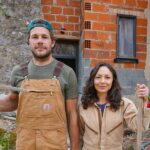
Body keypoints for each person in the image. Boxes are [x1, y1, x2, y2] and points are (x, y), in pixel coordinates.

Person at [0, 18, 79, 150]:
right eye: (35, 37)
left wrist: (75, 148)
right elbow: (13, 102)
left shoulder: (67, 73)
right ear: (29, 42)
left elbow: (72, 114)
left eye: (44, 37)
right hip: (25, 144)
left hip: (55, 145)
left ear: (52, 42)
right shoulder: (18, 71)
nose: (40, 41)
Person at [79, 62, 150, 150]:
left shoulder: (124, 104)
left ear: (113, 80)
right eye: (98, 77)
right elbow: (80, 134)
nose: (102, 81)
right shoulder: (84, 106)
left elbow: (140, 126)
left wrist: (146, 100)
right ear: (92, 80)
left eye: (107, 77)